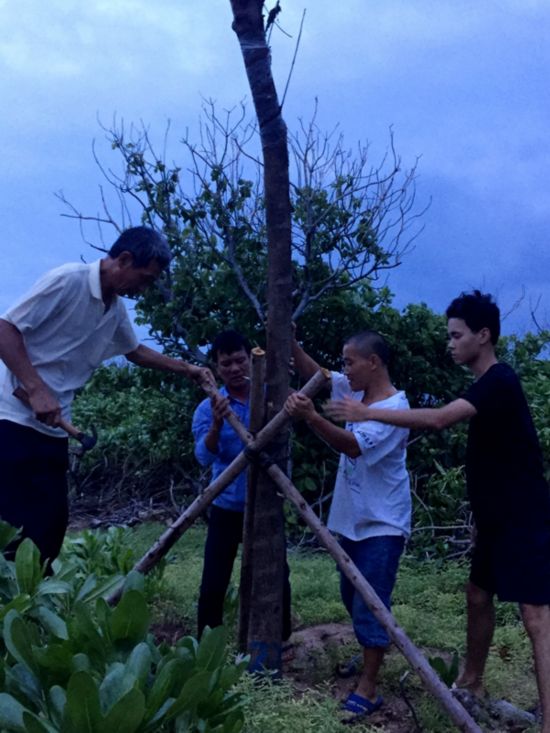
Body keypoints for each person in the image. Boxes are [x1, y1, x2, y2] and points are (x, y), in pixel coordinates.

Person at [325, 291, 550, 733]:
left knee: (536, 615)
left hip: (524, 515)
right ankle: (473, 680)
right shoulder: (485, 384)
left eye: (456, 335)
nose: (449, 343)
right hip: (496, 518)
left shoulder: (499, 380)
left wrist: (365, 411)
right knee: (477, 595)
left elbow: (440, 419)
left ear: (483, 336)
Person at [0, 226, 213, 567]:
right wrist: (37, 389)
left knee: (50, 529)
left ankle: (33, 613)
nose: (142, 290)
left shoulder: (113, 310)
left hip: (55, 428)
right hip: (12, 420)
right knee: (11, 529)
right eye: (143, 279)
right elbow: (5, 328)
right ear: (124, 259)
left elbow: (136, 351)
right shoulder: (67, 281)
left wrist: (187, 368)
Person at [285, 329, 411, 718]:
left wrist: (309, 417)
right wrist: (290, 340)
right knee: (351, 596)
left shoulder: (395, 409)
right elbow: (319, 376)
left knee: (370, 606)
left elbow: (352, 446)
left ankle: (369, 687)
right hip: (352, 521)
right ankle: (369, 654)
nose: (345, 369)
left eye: (350, 362)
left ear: (373, 362)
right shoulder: (355, 392)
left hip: (382, 523)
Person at [192, 330, 292, 641]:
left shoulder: (271, 398)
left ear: (251, 359)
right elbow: (203, 457)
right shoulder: (208, 408)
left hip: (264, 504)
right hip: (226, 505)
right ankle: (207, 642)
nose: (235, 369)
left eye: (239, 361)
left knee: (277, 575)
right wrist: (219, 425)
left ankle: (280, 639)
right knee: (214, 580)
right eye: (226, 364)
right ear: (217, 368)